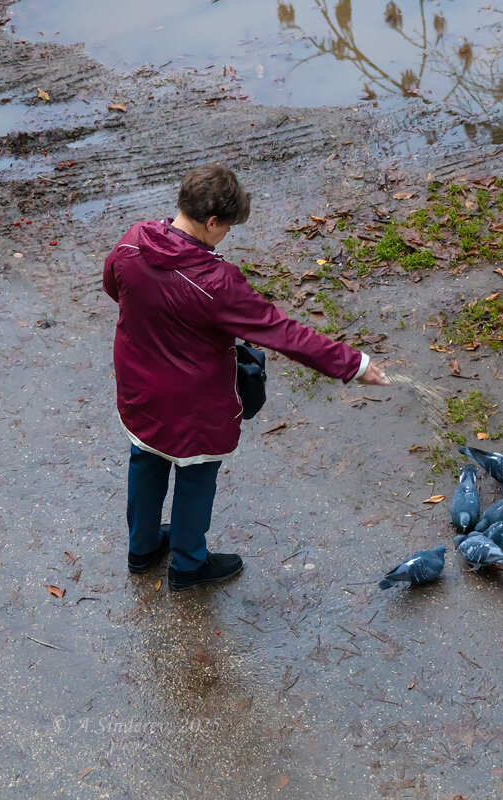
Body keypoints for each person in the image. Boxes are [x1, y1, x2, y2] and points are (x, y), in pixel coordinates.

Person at [103, 163, 389, 591]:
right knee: (195, 475)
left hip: (138, 386)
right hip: (192, 405)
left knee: (145, 460)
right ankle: (188, 564)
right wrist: (355, 364)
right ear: (211, 221)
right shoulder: (214, 282)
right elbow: (281, 332)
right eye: (227, 228)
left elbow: (113, 286)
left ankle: (142, 548)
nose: (226, 236)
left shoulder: (131, 242)